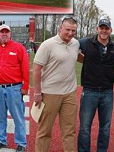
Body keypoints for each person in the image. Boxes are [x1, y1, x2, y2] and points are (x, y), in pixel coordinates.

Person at [33, 16, 79, 152]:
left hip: (70, 94)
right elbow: (36, 69)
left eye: (73, 31)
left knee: (69, 131)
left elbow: (80, 57)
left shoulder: (75, 43)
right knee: (44, 131)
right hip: (50, 93)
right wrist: (37, 92)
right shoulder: (48, 45)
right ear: (60, 28)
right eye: (67, 30)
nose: (70, 33)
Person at [77, 17, 114, 152]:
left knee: (105, 127)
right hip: (89, 91)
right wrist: (84, 60)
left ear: (110, 30)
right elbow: (71, 49)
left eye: (106, 28)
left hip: (107, 92)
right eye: (101, 28)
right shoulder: (85, 43)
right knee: (85, 127)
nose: (104, 31)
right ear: (97, 29)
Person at [0, 25, 29, 152]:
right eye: (2, 32)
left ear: (10, 33)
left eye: (7, 32)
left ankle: (21, 142)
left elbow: (25, 67)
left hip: (14, 88)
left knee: (18, 116)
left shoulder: (19, 47)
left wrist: (26, 86)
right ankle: (1, 140)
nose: (4, 34)